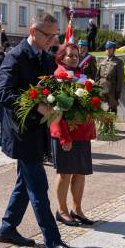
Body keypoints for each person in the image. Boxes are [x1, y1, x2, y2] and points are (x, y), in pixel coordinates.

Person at [0, 13, 77, 248]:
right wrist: (36, 107)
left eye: (55, 35)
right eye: (49, 35)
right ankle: (53, 242)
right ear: (33, 31)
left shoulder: (46, 57)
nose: (54, 40)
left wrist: (68, 97)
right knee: (38, 187)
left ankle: (8, 228)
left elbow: (51, 88)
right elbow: (2, 93)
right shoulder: (15, 56)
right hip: (21, 133)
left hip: (37, 130)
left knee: (25, 183)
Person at [50, 43, 95, 227]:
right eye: (70, 55)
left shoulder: (82, 78)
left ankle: (77, 209)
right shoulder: (57, 78)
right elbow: (56, 111)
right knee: (66, 172)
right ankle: (62, 210)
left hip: (81, 133)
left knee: (80, 173)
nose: (74, 58)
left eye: (76, 55)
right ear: (61, 57)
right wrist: (63, 136)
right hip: (65, 132)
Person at [96, 41, 124, 113]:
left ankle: (111, 123)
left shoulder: (118, 62)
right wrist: (96, 86)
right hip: (101, 87)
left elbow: (120, 79)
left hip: (111, 89)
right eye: (107, 48)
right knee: (98, 107)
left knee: (112, 109)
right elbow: (98, 76)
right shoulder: (103, 61)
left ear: (114, 50)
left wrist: (118, 92)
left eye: (110, 49)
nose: (108, 50)